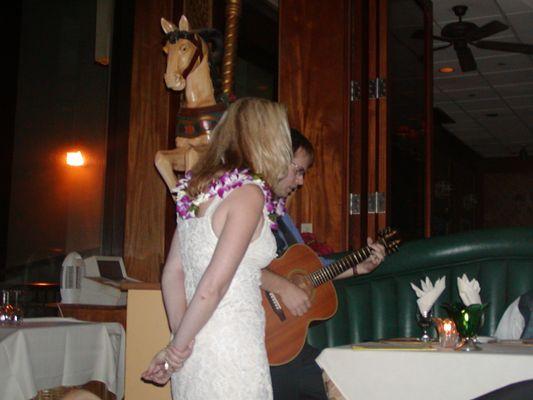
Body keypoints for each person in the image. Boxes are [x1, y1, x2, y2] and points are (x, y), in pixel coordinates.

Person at [142, 97, 295, 399]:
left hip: (193, 345)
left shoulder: (195, 191)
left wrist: (181, 342)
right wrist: (176, 349)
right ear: (271, 140)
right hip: (231, 350)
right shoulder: (248, 195)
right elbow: (214, 285)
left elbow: (172, 273)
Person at [261, 128, 386, 400]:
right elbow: (235, 266)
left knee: (348, 378)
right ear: (276, 158)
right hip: (259, 340)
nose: (301, 180)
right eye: (298, 170)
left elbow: (311, 269)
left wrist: (356, 268)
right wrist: (283, 286)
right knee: (340, 383)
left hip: (286, 341)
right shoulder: (249, 206)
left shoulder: (280, 215)